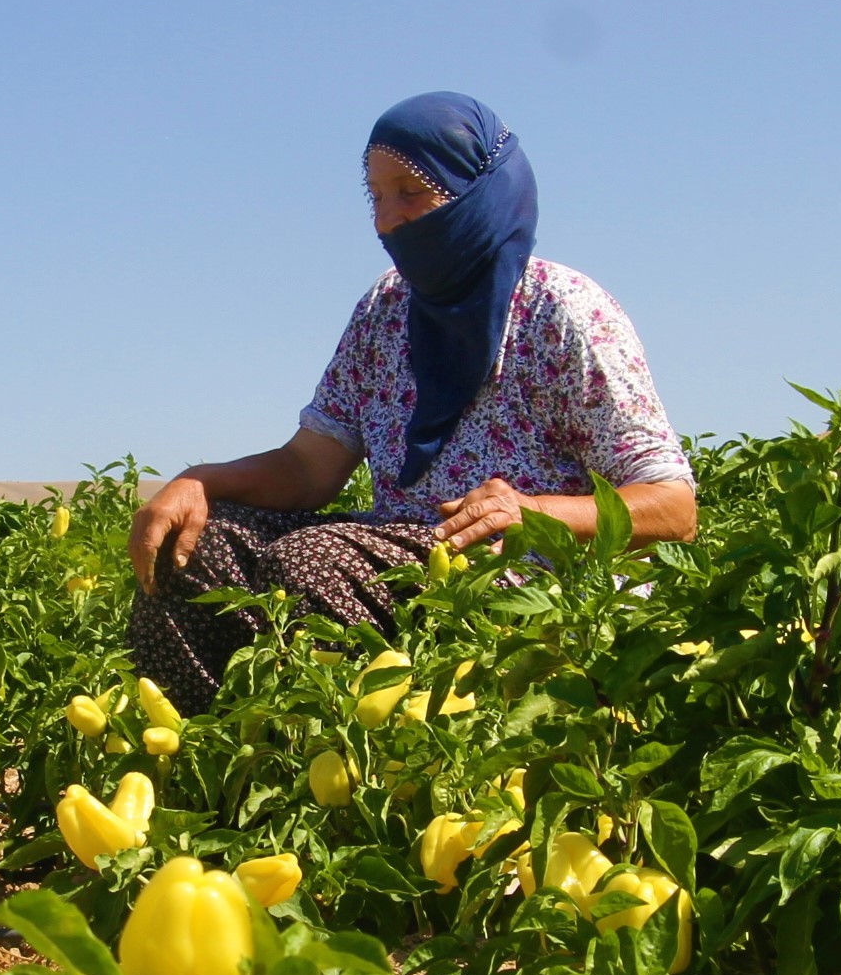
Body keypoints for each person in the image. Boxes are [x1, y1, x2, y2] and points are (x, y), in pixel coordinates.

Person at [127, 91, 698, 713]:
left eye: (412, 192)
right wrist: (200, 482)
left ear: (480, 189)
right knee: (192, 546)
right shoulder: (386, 309)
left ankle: (376, 777)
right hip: (394, 555)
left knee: (313, 564)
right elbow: (308, 468)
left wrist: (531, 510)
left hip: (529, 579)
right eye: (375, 196)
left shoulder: (562, 312)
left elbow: (672, 509)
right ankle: (224, 773)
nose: (387, 219)